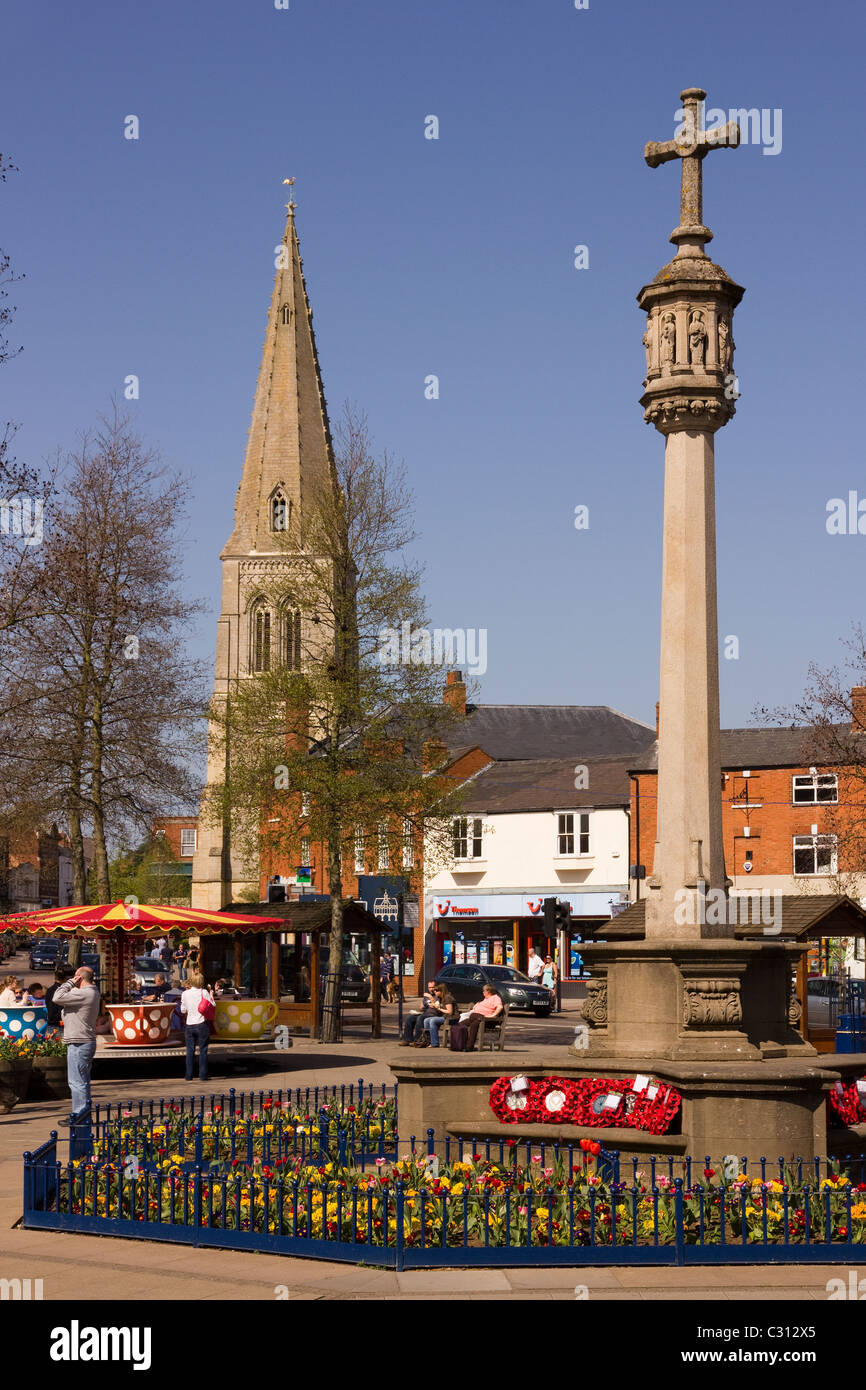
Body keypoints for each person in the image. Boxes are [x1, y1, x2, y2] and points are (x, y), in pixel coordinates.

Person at [52, 966, 100, 1113]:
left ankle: (79, 1116)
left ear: (79, 977)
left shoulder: (85, 993)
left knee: (76, 1082)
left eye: (74, 977)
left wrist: (70, 983)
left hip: (79, 1042)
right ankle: (82, 1113)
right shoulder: (92, 992)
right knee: (82, 1081)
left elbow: (57, 997)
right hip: (84, 1040)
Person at [180, 971, 214, 1082]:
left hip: (189, 1025)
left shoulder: (185, 994)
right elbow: (212, 1005)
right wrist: (212, 996)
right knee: (203, 1050)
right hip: (201, 1024)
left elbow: (182, 1010)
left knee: (190, 1051)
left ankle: (188, 1075)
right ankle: (202, 1075)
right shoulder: (204, 992)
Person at [465, 983, 503, 1052]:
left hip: (487, 1021)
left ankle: (469, 1047)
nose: (483, 992)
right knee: (461, 1024)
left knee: (474, 1023)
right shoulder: (485, 999)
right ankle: (460, 1045)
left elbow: (500, 1007)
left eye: (484, 991)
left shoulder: (496, 998)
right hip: (478, 1019)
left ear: (488, 991)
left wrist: (492, 1015)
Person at [399, 981, 439, 1046]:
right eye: (429, 987)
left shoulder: (438, 995)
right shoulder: (426, 996)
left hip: (434, 1014)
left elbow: (438, 1006)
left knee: (420, 1018)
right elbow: (421, 1008)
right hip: (425, 1013)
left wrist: (430, 997)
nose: (431, 989)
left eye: (433, 987)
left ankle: (417, 1040)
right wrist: (420, 1008)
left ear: (436, 987)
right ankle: (407, 1039)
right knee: (409, 1017)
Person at [424, 983, 457, 1048]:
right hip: (445, 1017)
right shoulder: (441, 998)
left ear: (441, 991)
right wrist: (435, 1006)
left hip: (452, 1018)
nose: (435, 992)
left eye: (436, 991)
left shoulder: (447, 998)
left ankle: (434, 1043)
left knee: (433, 1021)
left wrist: (439, 1008)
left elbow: (450, 1012)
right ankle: (428, 1041)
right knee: (426, 1020)